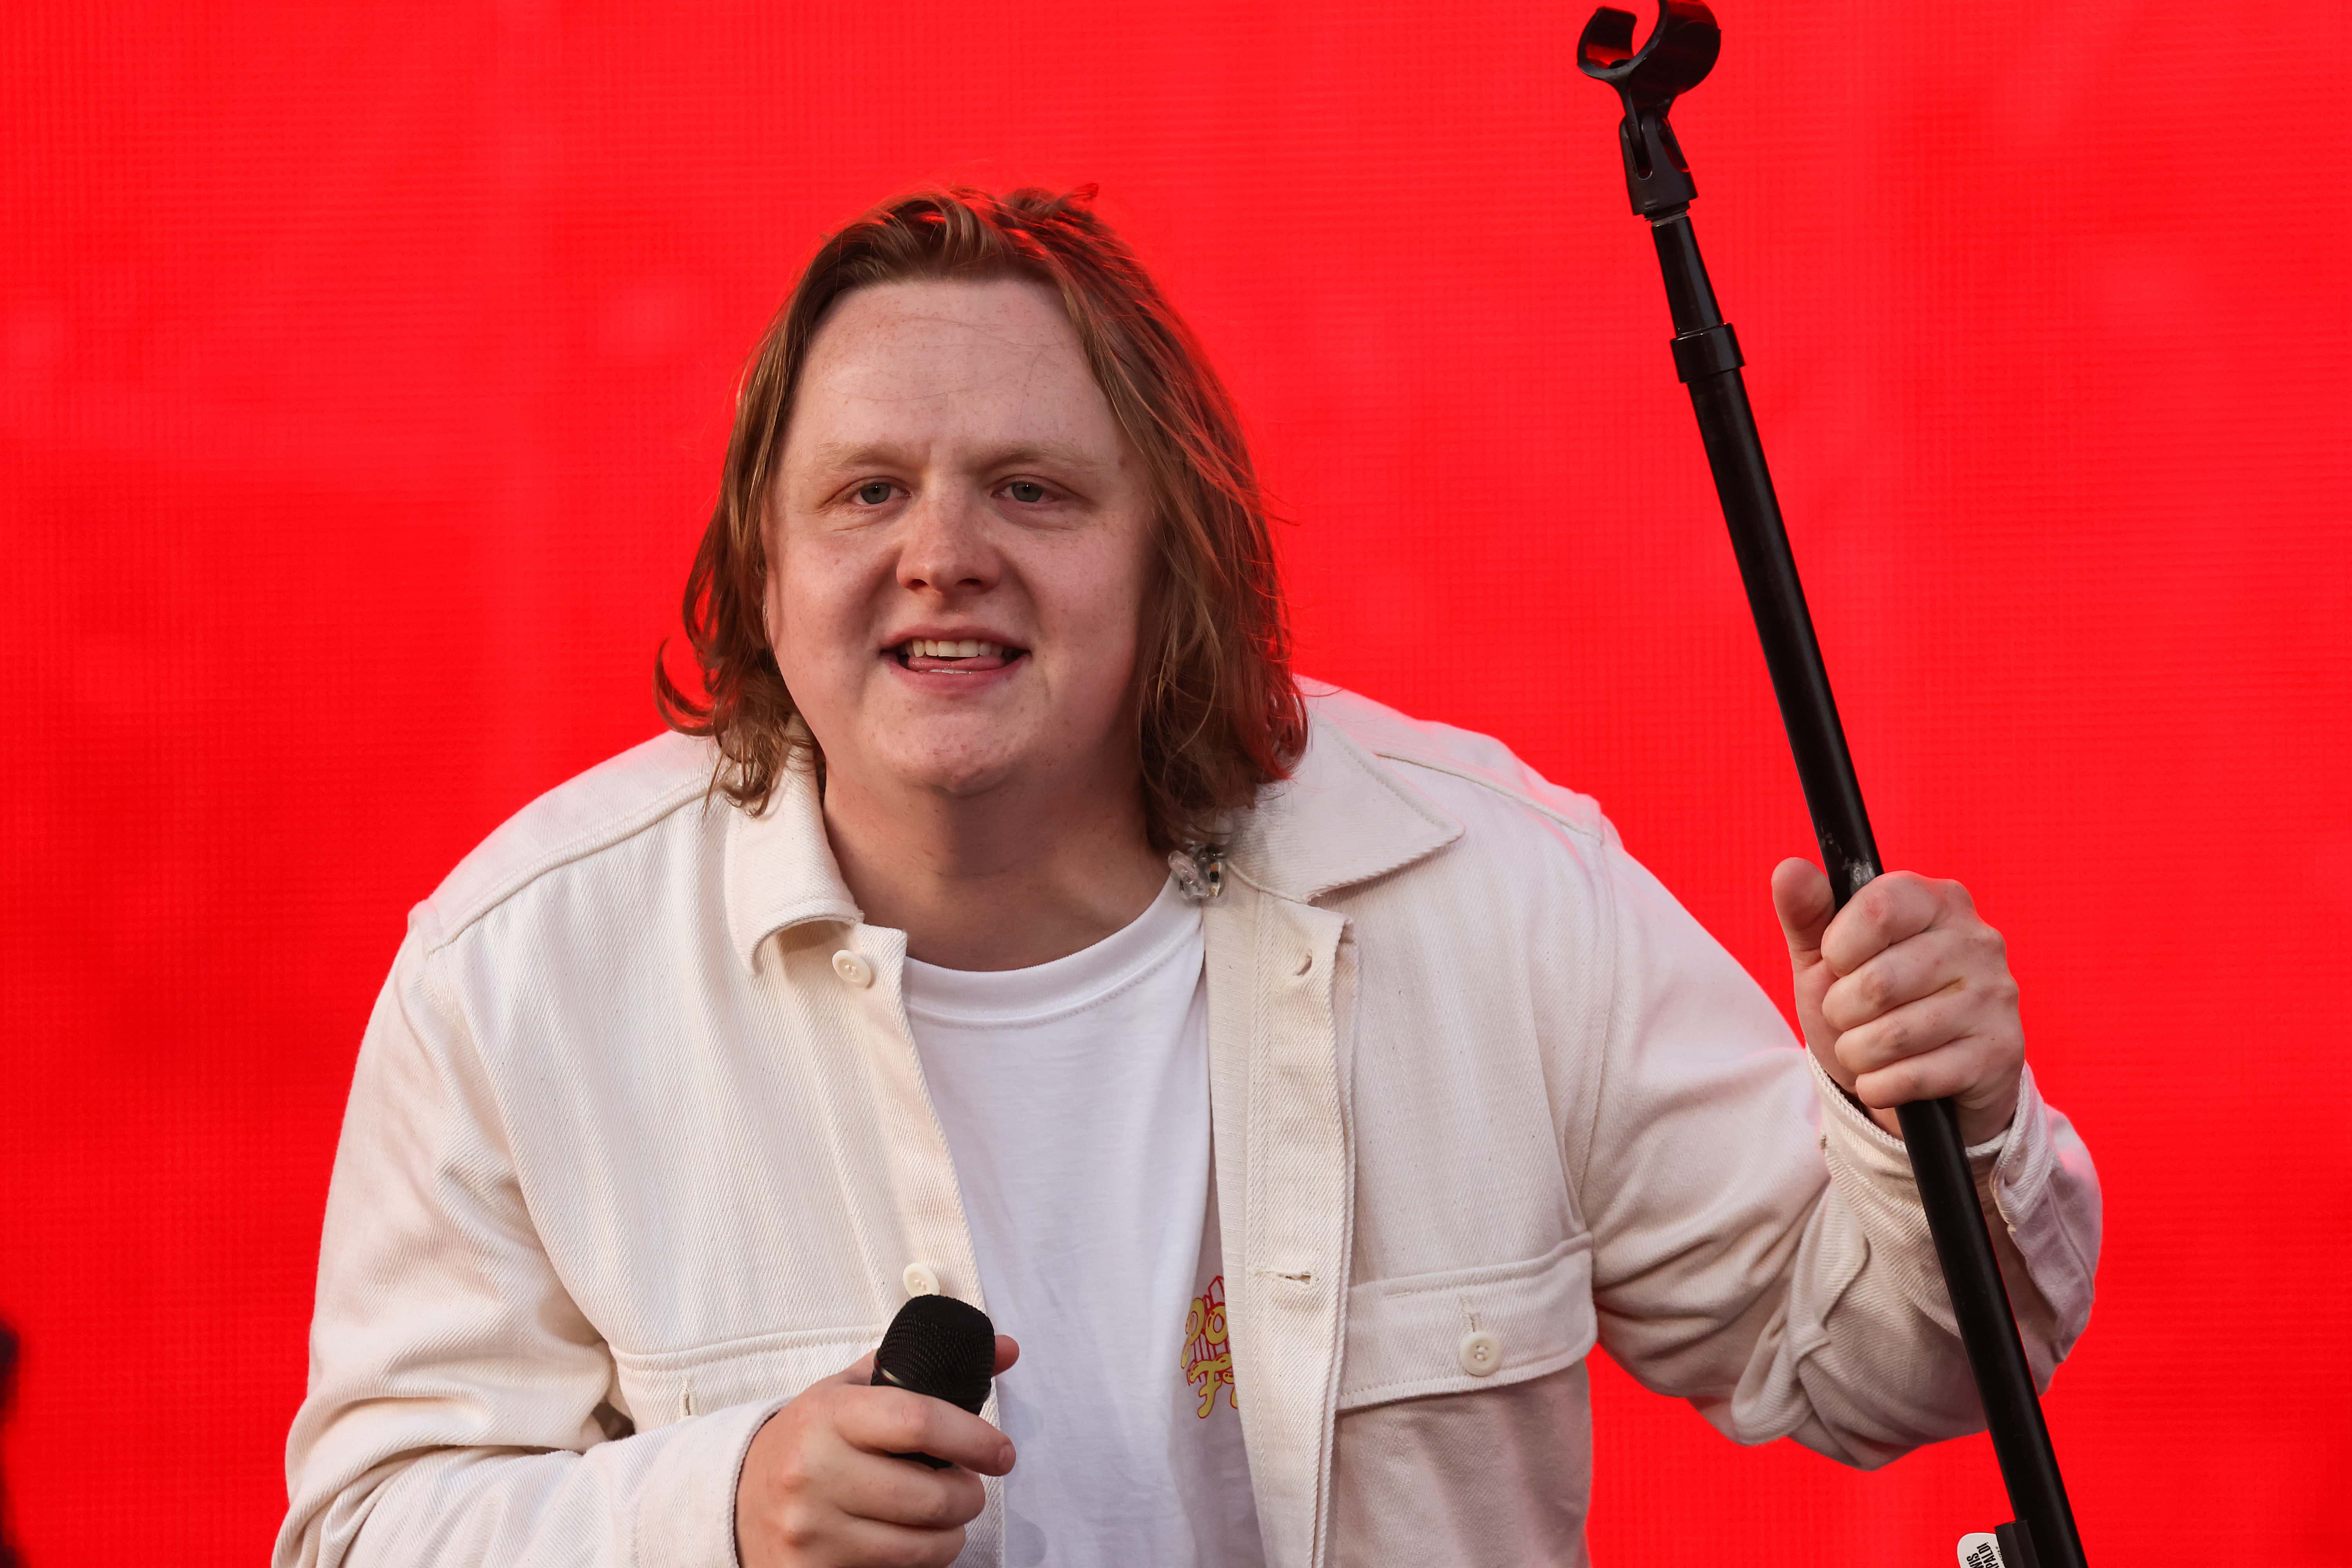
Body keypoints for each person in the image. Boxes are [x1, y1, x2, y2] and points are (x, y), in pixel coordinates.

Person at [275, 187, 2099, 1568]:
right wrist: (721, 1507)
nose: (943, 556)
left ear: (1177, 556)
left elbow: (1891, 1363)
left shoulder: (1487, 887)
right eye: (865, 494)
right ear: (762, 560)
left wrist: (1934, 1116)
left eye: (1034, 491)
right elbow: (365, 1529)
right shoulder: (524, 968)